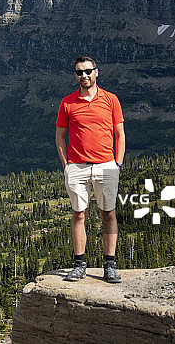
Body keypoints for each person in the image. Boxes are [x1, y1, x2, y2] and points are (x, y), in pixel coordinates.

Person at [55, 56, 125, 283]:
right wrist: (66, 165)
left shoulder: (111, 100)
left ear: (96, 72)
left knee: (108, 213)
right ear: (75, 75)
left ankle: (110, 265)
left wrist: (118, 163)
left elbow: (120, 134)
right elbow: (60, 136)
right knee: (78, 214)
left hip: (106, 165)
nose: (84, 75)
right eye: (79, 72)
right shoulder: (67, 102)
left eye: (87, 71)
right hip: (77, 167)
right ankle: (79, 265)